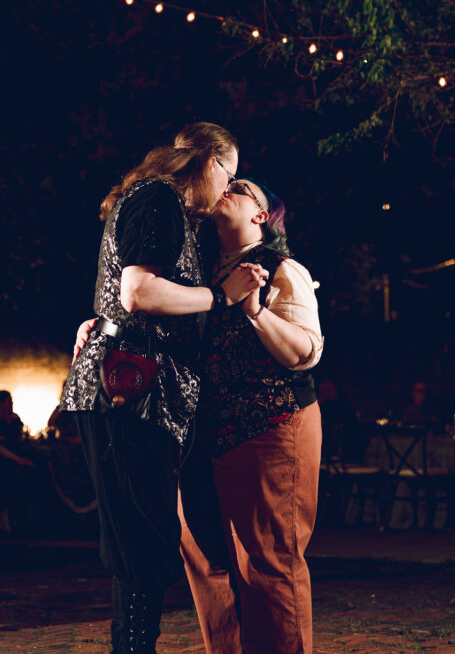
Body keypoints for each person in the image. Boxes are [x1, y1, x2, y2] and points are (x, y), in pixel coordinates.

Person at [61, 122, 265, 654]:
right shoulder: (160, 199)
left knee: (143, 542)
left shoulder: (163, 205)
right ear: (207, 162)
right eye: (230, 175)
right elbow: (138, 291)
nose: (229, 190)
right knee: (142, 542)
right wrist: (219, 296)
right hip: (129, 390)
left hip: (135, 387)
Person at [178, 177, 323, 654]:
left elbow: (306, 350)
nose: (227, 186)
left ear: (262, 215)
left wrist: (257, 311)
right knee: (208, 562)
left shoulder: (282, 268)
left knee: (269, 561)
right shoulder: (195, 272)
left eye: (240, 187)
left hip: (268, 426)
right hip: (202, 432)